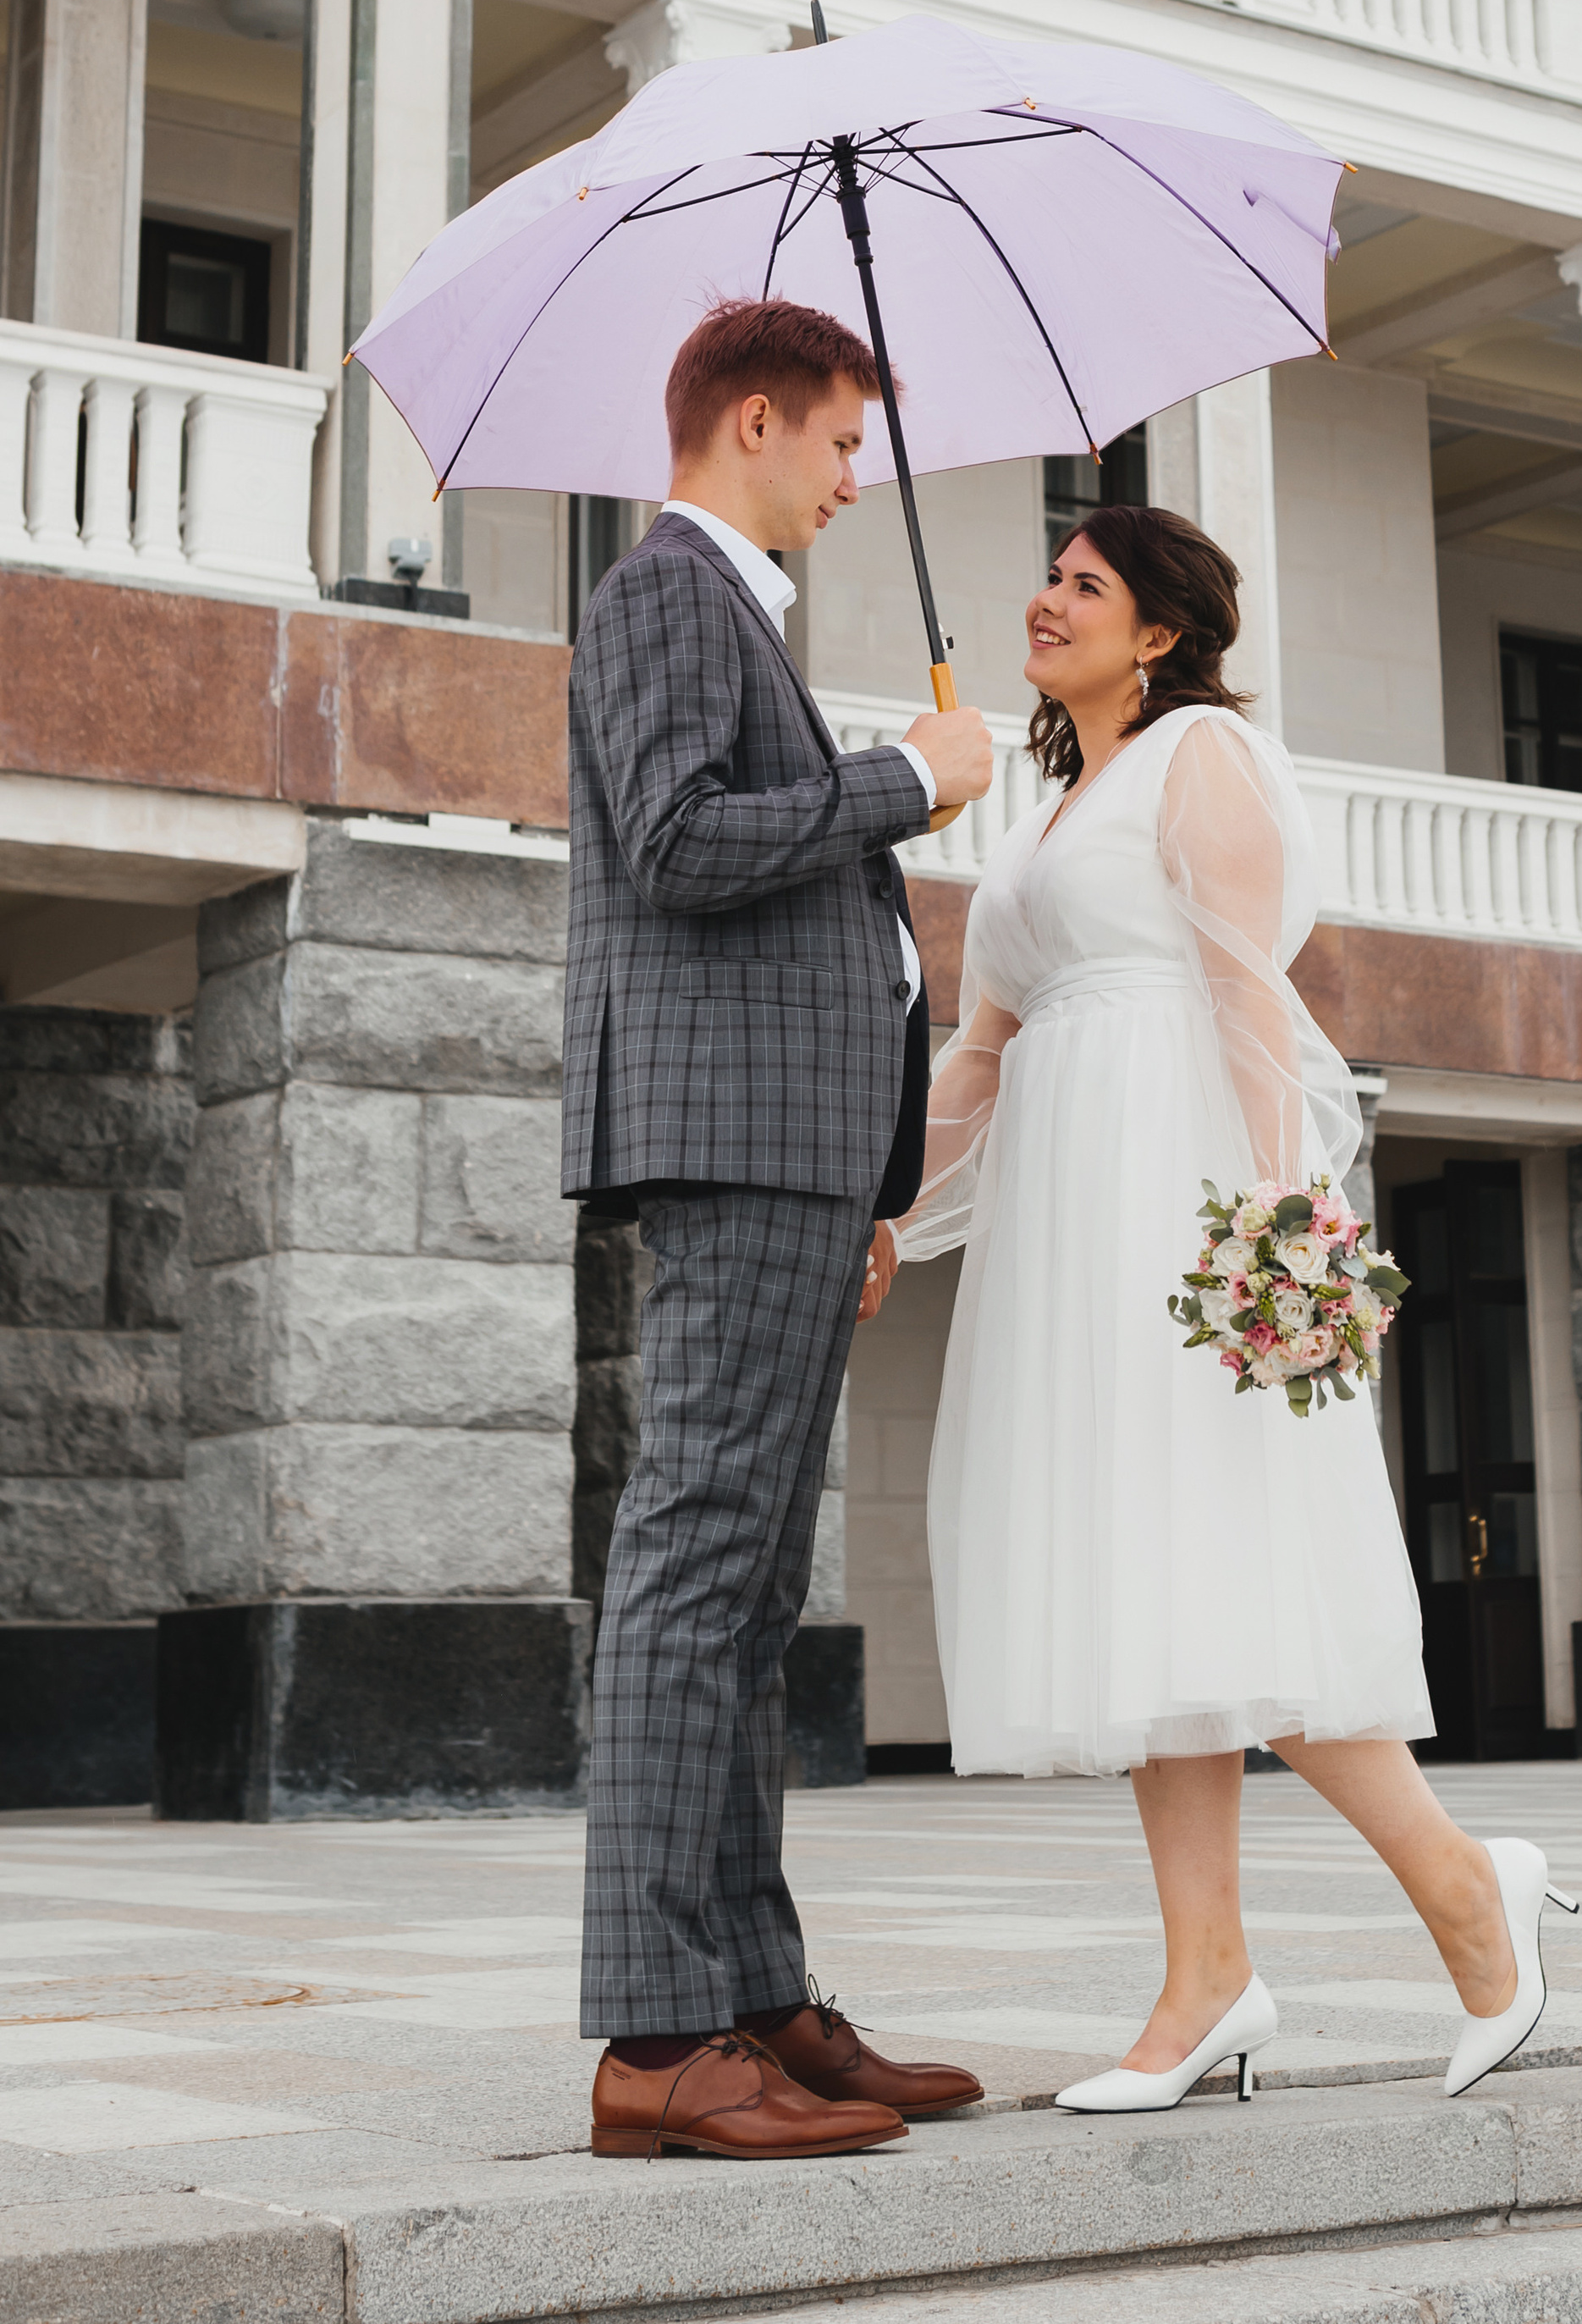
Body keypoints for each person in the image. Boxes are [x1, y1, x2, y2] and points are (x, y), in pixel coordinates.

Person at [864, 504, 1572, 2111]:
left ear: (1161, 631)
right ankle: (1209, 1983)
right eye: (1044, 575)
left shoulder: (1201, 762)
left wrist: (1279, 1229)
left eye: (1083, 584)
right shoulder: (1043, 808)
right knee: (1146, 1589)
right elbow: (979, 1048)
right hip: (1067, 1210)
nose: (1045, 601)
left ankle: (1473, 1897)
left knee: (1235, 1569)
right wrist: (888, 1207)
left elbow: (1253, 994)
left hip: (1183, 1198)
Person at [566, 295, 997, 2161]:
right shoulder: (667, 590)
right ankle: (657, 2037)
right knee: (692, 1575)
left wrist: (876, 1174)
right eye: (837, 443)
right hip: (735, 1147)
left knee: (743, 1596)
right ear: (753, 421)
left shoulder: (733, 610)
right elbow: (677, 840)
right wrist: (908, 781)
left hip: (804, 1161)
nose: (850, 480)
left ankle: (749, 1996)